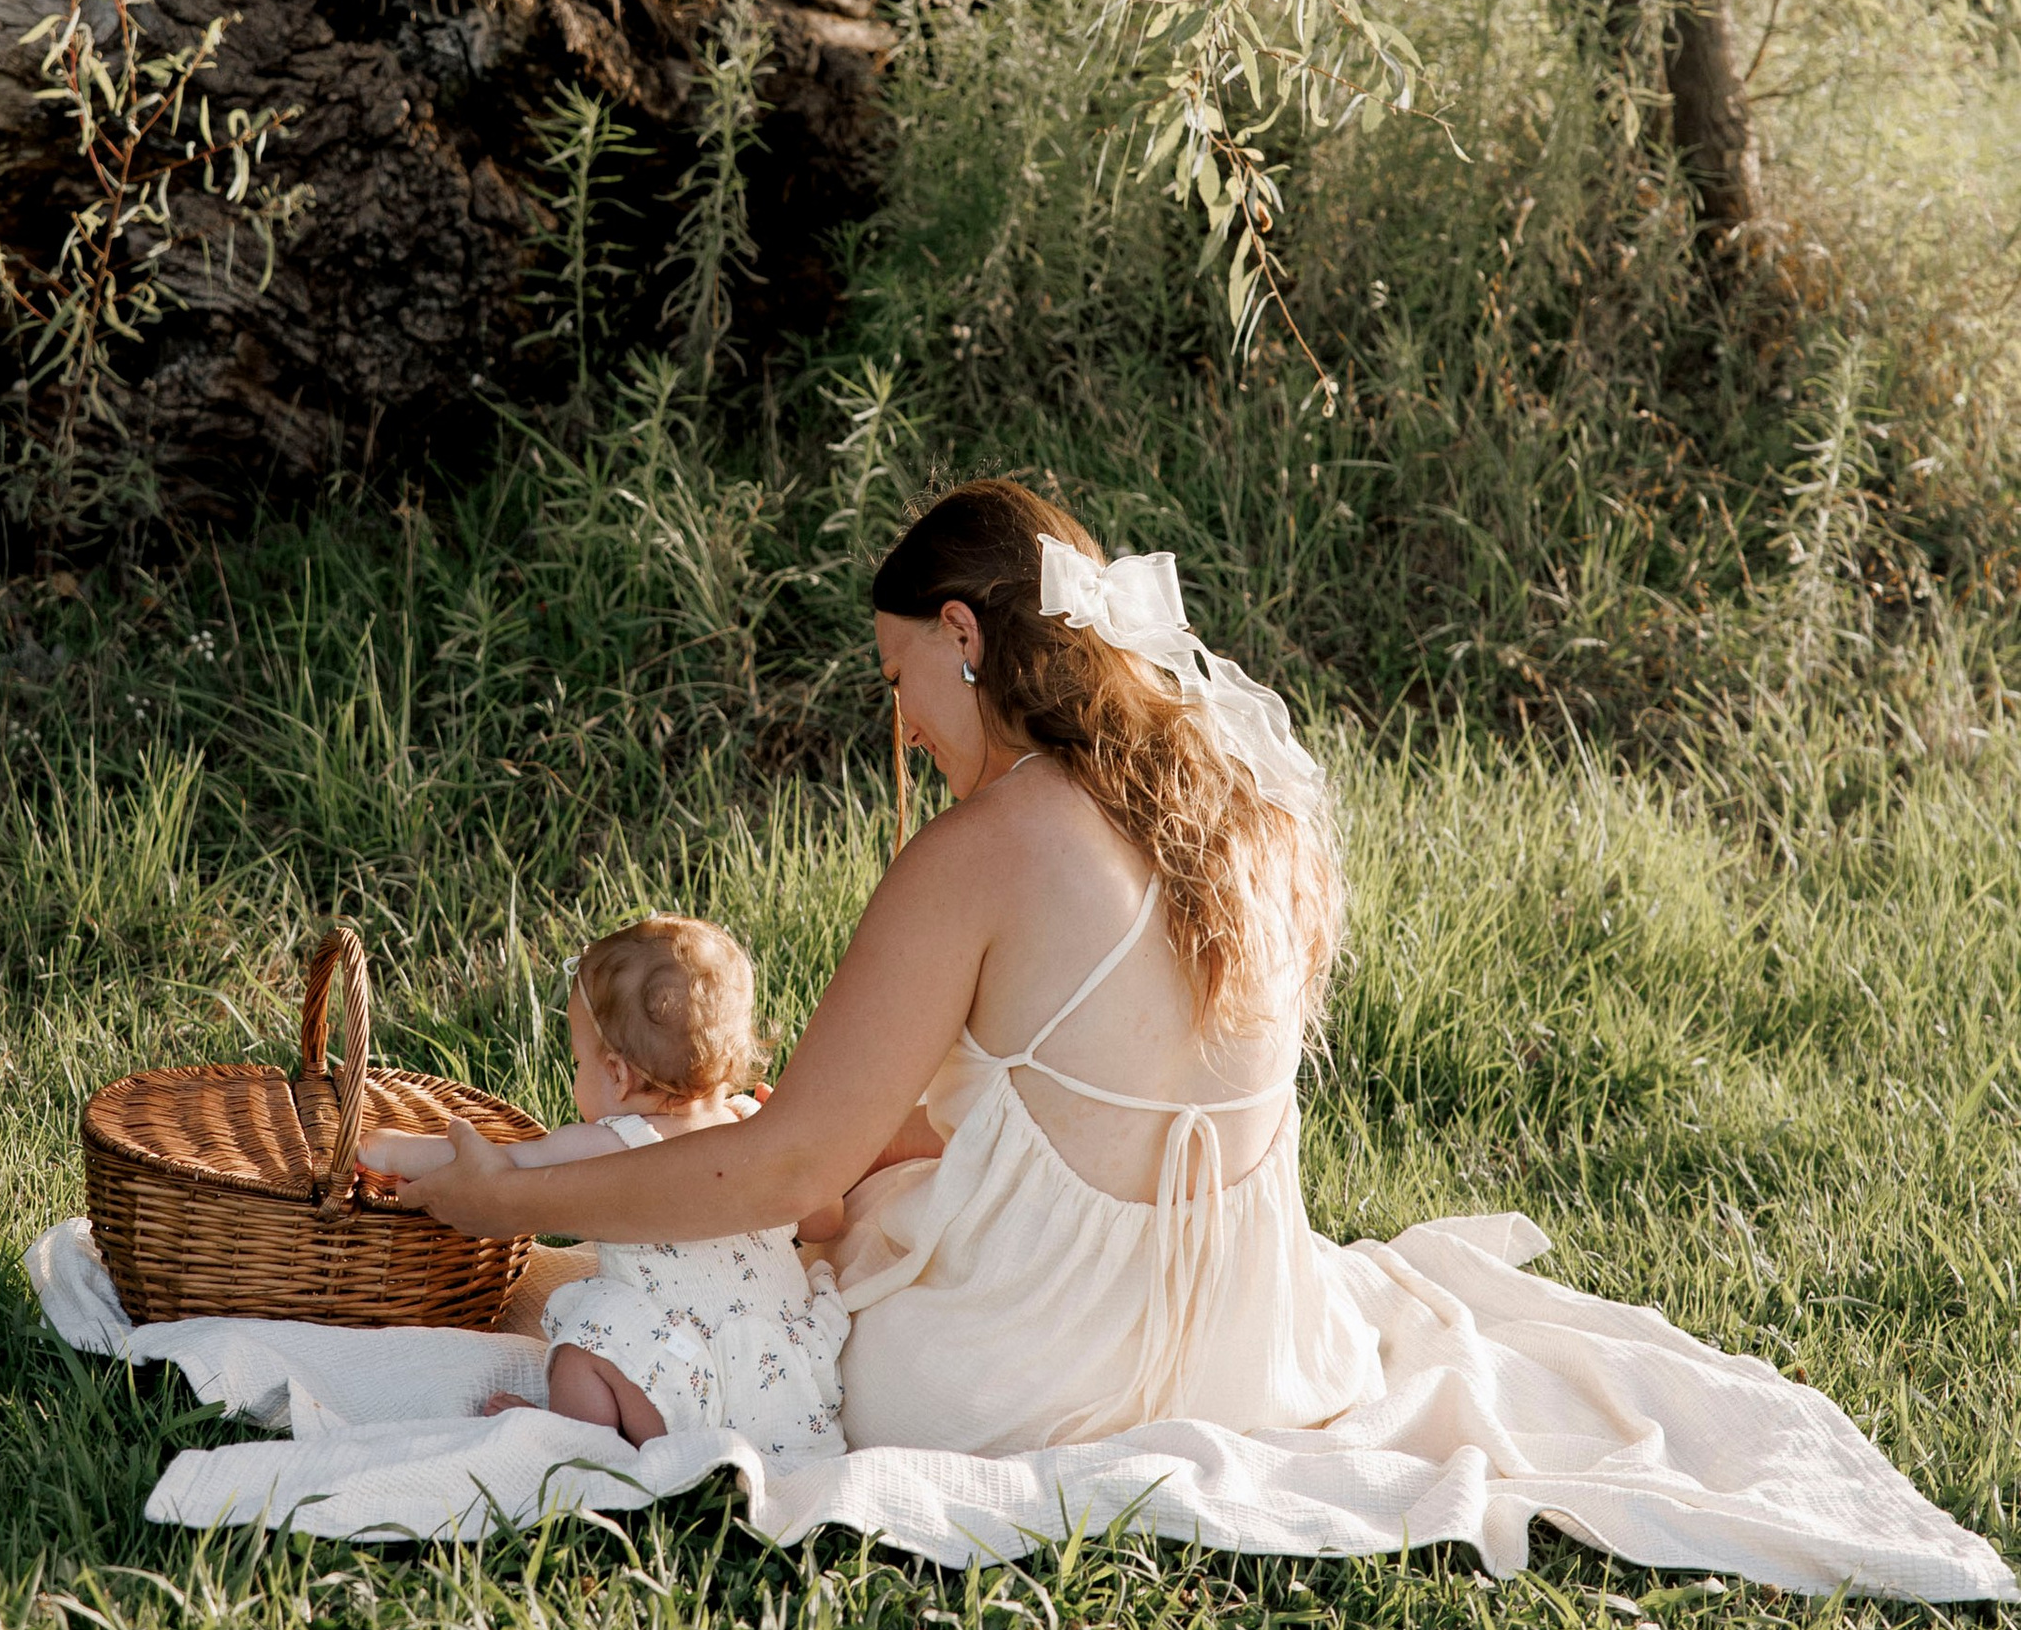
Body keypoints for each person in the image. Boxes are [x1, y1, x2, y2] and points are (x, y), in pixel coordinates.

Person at [387, 477, 1384, 1456]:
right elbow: (1088, 1104)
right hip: (1247, 1357)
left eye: (894, 676)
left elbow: (787, 1172)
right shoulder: (1240, 815)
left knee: (754, 1286)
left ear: (961, 634)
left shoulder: (985, 846)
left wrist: (505, 1202)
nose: (901, 724)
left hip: (1017, 1385)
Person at [360, 914, 848, 1457]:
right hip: (787, 1393)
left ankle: (579, 1441)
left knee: (585, 1345)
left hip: (677, 1398)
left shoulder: (616, 1142)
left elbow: (495, 1164)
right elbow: (826, 1219)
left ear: (616, 1074)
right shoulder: (753, 1129)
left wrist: (384, 1147)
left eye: (575, 1062)